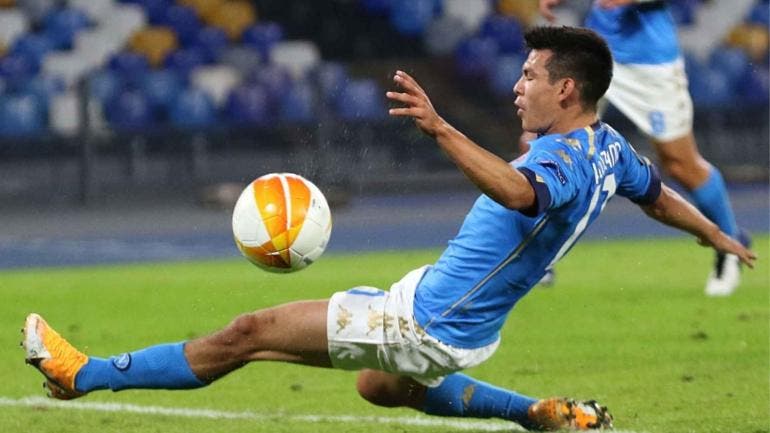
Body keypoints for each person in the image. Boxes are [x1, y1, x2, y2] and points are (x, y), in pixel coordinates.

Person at [22, 26, 755, 432]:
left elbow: (523, 191)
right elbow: (659, 196)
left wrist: (441, 128)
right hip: (461, 319)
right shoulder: (611, 149)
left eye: (530, 74)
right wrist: (714, 233)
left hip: (427, 319)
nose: (517, 83)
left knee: (248, 332)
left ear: (567, 88)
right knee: (380, 386)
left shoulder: (560, 155)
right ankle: (540, 415)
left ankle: (80, 373)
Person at [533, 0, 751, 296]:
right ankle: (538, 255)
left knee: (680, 164)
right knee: (549, 139)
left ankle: (730, 246)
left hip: (649, 63)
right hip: (597, 51)